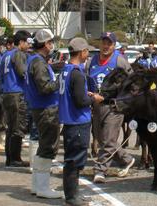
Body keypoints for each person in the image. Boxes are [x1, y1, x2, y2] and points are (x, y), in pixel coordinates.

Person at [89, 32, 135, 184]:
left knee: (108, 140)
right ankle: (127, 159)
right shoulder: (92, 61)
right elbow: (87, 79)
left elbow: (132, 82)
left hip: (114, 107)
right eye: (104, 42)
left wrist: (122, 100)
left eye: (109, 43)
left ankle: (100, 170)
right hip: (96, 105)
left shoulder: (119, 61)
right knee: (102, 139)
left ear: (114, 45)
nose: (106, 46)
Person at [25, 29, 62, 199]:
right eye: (51, 42)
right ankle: (43, 187)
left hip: (39, 108)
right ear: (46, 44)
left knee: (43, 146)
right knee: (48, 147)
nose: (52, 45)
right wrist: (59, 81)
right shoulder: (38, 62)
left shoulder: (34, 60)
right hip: (46, 109)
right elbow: (45, 87)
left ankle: (36, 185)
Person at [60, 37, 98, 206]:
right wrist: (94, 98)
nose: (88, 54)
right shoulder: (77, 73)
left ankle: (73, 193)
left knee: (72, 160)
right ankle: (71, 197)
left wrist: (85, 95)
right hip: (77, 121)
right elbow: (80, 101)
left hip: (69, 120)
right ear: (82, 52)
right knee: (74, 161)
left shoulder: (65, 70)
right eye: (87, 51)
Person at [0, 30, 33, 167]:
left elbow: (0, 75)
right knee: (18, 126)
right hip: (16, 93)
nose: (29, 45)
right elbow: (23, 72)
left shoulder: (6, 55)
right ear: (21, 42)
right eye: (27, 42)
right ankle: (15, 158)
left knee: (10, 126)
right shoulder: (18, 54)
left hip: (6, 92)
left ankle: (9, 158)